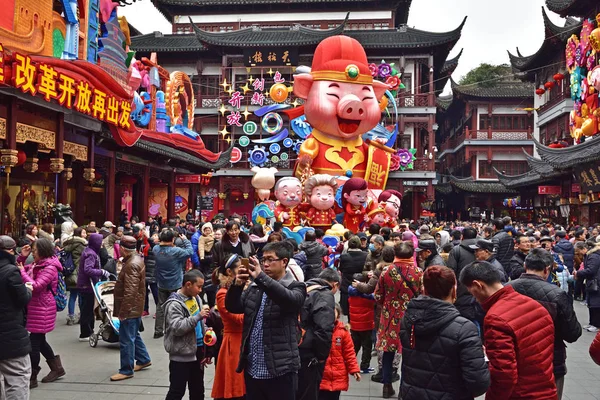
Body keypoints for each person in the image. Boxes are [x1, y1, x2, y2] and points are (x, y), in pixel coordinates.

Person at [459, 261, 557, 400]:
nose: (474, 298)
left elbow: (504, 376)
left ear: (478, 285)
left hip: (519, 395)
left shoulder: (495, 318)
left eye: (472, 293)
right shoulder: (535, 305)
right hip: (546, 390)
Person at [225, 242, 307, 400]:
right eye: (263, 260)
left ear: (284, 261)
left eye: (270, 259)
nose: (266, 264)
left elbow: (288, 300)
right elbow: (234, 307)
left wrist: (261, 277)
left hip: (280, 369)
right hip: (253, 368)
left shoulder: (296, 287)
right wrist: (237, 285)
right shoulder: (256, 287)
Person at [400, 265, 490, 400]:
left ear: (424, 289)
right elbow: (478, 383)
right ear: (454, 290)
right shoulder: (464, 329)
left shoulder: (408, 319)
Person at [508, 248, 581, 399]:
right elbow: (573, 333)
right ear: (547, 269)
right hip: (549, 359)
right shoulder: (557, 294)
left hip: (513, 356)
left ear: (525, 266)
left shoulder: (507, 289)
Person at [375, 241, 423, 398]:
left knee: (388, 351)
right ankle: (404, 388)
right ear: (411, 255)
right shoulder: (418, 272)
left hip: (389, 315)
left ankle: (387, 385)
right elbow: (422, 295)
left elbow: (377, 295)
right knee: (409, 352)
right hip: (411, 316)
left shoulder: (386, 271)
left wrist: (387, 305)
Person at [18, 238, 66, 387]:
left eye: (34, 251)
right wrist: (22, 257)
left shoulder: (50, 267)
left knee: (34, 343)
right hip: (35, 306)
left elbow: (37, 286)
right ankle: (57, 369)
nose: (33, 253)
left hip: (43, 307)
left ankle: (32, 376)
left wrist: (22, 271)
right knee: (40, 340)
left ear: (43, 251)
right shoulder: (37, 264)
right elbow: (18, 267)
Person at [163, 269, 210, 399]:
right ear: (188, 284)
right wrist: (198, 317)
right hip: (181, 355)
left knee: (198, 390)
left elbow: (199, 325)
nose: (200, 290)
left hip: (198, 350)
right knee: (177, 391)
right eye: (198, 286)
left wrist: (206, 330)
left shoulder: (196, 298)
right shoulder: (174, 303)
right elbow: (177, 328)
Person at [110, 236, 152, 381]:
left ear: (122, 248)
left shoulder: (132, 264)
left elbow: (130, 291)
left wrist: (124, 311)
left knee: (127, 338)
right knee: (133, 335)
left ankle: (126, 369)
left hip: (130, 308)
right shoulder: (134, 261)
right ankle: (143, 358)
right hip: (134, 307)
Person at [297, 268, 338, 400]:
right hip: (308, 352)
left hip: (293, 346)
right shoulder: (324, 294)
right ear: (335, 284)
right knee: (307, 392)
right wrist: (321, 356)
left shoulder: (303, 288)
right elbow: (324, 329)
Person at [0, 235, 32, 398]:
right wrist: (27, 289)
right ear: (11, 250)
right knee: (18, 376)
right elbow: (22, 298)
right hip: (9, 333)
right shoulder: (11, 271)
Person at [211, 255, 245, 400]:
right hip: (234, 342)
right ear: (230, 272)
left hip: (243, 340)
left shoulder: (244, 288)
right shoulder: (222, 293)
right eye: (240, 268)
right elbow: (237, 319)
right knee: (235, 387)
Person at [153, 229, 194, 339]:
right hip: (175, 283)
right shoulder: (176, 251)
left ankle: (158, 330)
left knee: (161, 306)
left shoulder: (156, 249)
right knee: (177, 306)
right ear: (172, 239)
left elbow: (155, 244)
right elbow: (190, 251)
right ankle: (174, 328)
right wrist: (185, 240)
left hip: (161, 283)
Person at [318, 304, 361, 400]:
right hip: (323, 375)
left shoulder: (343, 332)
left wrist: (354, 370)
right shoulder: (319, 330)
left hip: (338, 375)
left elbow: (349, 353)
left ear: (338, 315)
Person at [77, 233, 109, 341]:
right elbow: (88, 269)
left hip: (88, 285)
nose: (102, 243)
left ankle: (89, 331)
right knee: (87, 310)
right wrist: (101, 272)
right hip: (87, 285)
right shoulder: (91, 254)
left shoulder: (90, 251)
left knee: (88, 309)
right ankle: (85, 333)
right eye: (101, 241)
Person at [348, 273, 375, 373]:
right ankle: (364, 366)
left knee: (354, 346)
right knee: (367, 347)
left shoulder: (351, 293)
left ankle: (349, 364)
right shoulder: (368, 296)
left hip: (354, 325)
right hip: (366, 325)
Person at [63, 227, 88, 326]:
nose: (85, 234)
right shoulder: (81, 245)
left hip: (70, 272)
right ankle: (82, 315)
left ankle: (71, 316)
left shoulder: (69, 243)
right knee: (81, 295)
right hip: (79, 272)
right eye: (84, 232)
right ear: (80, 234)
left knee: (73, 296)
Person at [575, 236, 600, 332]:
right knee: (592, 303)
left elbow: (591, 270)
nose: (579, 254)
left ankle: (596, 324)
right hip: (593, 282)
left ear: (583, 249)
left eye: (579, 251)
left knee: (596, 304)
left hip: (596, 282)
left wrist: (579, 273)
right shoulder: (591, 255)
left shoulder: (593, 256)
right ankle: (592, 323)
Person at [338, 237, 368, 315]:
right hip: (362, 286)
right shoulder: (366, 255)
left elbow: (341, 269)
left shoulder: (343, 256)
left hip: (346, 287)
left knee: (348, 312)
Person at [143, 233, 158, 317]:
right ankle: (145, 309)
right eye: (153, 236)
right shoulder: (147, 245)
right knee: (144, 292)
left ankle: (158, 310)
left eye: (156, 236)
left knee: (156, 293)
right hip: (146, 270)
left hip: (153, 271)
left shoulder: (157, 247)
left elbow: (151, 242)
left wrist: (147, 236)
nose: (154, 237)